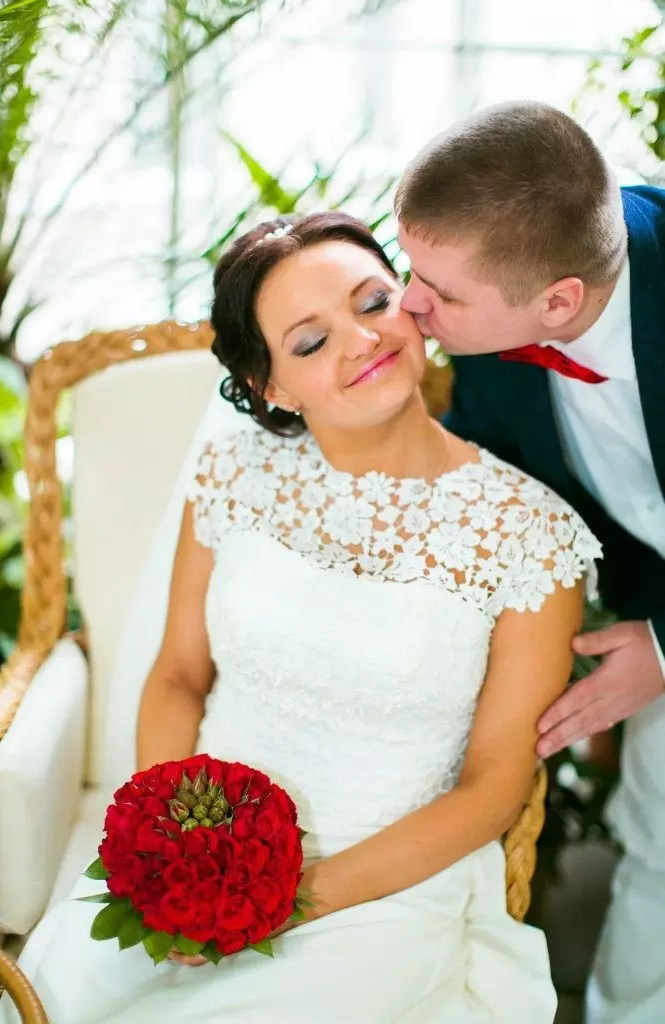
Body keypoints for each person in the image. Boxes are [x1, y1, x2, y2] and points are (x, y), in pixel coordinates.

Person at [0, 211, 600, 1024]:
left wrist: (287, 901)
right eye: (311, 342)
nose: (362, 340)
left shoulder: (531, 532)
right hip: (197, 850)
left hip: (383, 888)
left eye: (374, 302)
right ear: (269, 386)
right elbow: (178, 675)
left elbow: (493, 786)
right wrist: (167, 853)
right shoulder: (232, 470)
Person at [395, 100, 665, 1024]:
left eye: (440, 293)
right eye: (410, 270)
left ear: (558, 301)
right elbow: (488, 486)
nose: (408, 306)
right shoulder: (498, 324)